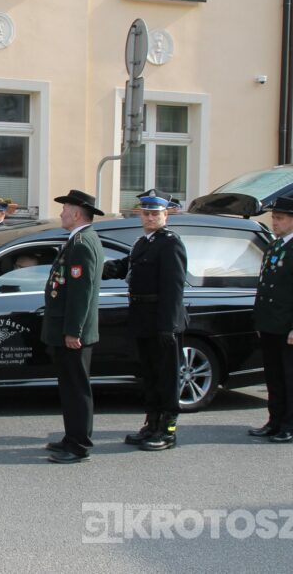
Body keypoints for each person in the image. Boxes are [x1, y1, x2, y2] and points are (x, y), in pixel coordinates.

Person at [103, 191, 187, 451]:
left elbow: (173, 288)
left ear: (166, 215)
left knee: (166, 377)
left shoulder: (170, 243)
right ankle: (152, 423)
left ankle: (168, 430)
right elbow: (127, 266)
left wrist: (168, 326)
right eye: (146, 213)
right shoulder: (142, 242)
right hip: (142, 318)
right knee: (149, 375)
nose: (150, 218)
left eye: (155, 214)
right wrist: (101, 267)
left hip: (162, 321)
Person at [248, 197, 293, 443]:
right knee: (274, 376)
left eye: (279, 218)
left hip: (289, 327)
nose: (275, 222)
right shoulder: (274, 246)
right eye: (274, 218)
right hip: (270, 324)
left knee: (291, 377)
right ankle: (275, 420)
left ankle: (291, 424)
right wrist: (260, 321)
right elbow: (265, 286)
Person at [42, 189, 104, 464]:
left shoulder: (82, 243)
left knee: (77, 389)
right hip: (67, 329)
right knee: (69, 388)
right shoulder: (78, 240)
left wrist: (73, 331)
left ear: (77, 214)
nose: (61, 213)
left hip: (73, 333)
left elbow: (81, 293)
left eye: (65, 209)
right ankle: (71, 437)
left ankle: (79, 445)